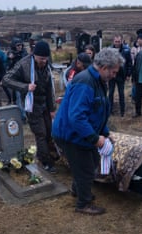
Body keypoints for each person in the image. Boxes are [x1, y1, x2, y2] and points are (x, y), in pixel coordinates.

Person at [52, 48, 124, 215]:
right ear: (104, 67)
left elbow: (97, 112)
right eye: (113, 72)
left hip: (80, 132)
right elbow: (77, 117)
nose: (114, 75)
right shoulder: (86, 82)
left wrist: (105, 134)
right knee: (86, 167)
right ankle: (83, 204)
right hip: (70, 134)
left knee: (90, 162)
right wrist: (94, 138)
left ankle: (78, 190)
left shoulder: (98, 81)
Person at [2, 41, 58, 173]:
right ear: (34, 55)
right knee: (41, 133)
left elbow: (50, 88)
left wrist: (52, 109)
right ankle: (45, 162)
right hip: (31, 105)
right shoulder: (23, 64)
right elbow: (6, 79)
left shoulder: (46, 65)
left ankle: (48, 154)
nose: (44, 61)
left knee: (49, 131)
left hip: (45, 103)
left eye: (46, 58)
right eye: (41, 59)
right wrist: (25, 87)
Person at [108, 34, 132, 117]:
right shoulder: (110, 50)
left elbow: (129, 63)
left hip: (121, 75)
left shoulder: (126, 50)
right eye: (116, 41)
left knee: (121, 94)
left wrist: (128, 74)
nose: (117, 43)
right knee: (110, 93)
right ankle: (110, 110)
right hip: (111, 75)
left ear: (121, 41)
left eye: (118, 41)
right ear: (113, 41)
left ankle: (122, 111)